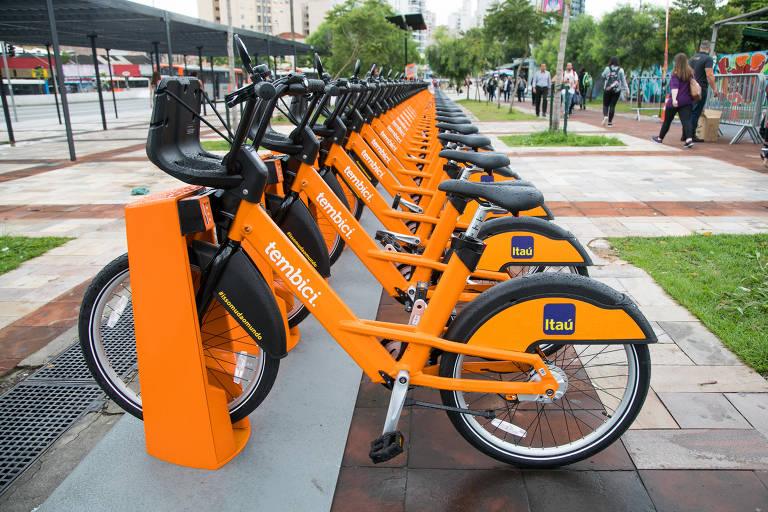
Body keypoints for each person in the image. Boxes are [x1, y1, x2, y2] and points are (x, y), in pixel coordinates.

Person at [651, 53, 695, 148]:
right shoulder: (690, 73)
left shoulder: (675, 74)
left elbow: (675, 88)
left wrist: (674, 99)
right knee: (686, 121)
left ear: (676, 62)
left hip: (675, 102)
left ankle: (660, 138)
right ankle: (689, 139)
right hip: (687, 101)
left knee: (667, 121)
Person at [689, 41, 716, 143]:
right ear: (709, 49)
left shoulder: (692, 58)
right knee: (696, 112)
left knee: (690, 111)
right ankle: (691, 135)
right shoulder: (708, 59)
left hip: (691, 88)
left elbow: (689, 73)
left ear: (700, 48)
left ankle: (685, 134)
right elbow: (709, 75)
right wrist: (714, 89)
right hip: (701, 88)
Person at [600, 56, 629, 127]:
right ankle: (610, 123)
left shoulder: (607, 68)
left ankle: (605, 116)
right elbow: (623, 81)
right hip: (616, 90)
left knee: (605, 104)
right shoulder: (621, 70)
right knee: (612, 105)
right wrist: (627, 90)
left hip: (607, 89)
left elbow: (603, 75)